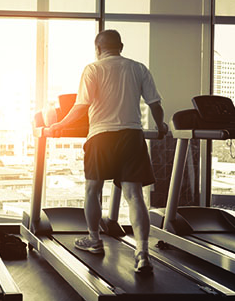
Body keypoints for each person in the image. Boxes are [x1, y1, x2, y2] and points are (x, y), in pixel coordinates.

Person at [48, 29, 168, 273]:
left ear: (98, 49)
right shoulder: (138, 68)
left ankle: (94, 239)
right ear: (121, 46)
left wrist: (59, 125)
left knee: (93, 189)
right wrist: (160, 126)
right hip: (132, 136)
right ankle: (142, 252)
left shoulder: (93, 69)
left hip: (101, 136)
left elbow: (81, 107)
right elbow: (155, 104)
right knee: (134, 195)